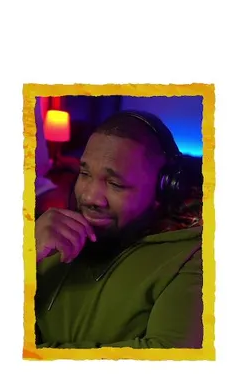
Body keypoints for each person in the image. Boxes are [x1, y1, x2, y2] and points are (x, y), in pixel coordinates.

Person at [34, 110, 203, 349]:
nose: (89, 197)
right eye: (85, 173)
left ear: (162, 190)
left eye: (115, 183)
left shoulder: (191, 259)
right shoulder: (47, 235)